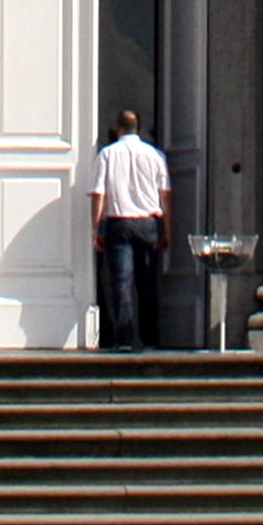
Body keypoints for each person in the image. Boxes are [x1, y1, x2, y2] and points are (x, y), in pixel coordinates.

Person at [87, 108, 171, 353]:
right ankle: (150, 337)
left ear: (118, 129)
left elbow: (98, 194)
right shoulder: (155, 155)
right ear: (139, 129)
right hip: (148, 223)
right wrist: (167, 230)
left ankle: (124, 337)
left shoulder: (107, 154)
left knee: (121, 282)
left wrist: (96, 228)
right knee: (147, 282)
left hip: (119, 223)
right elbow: (165, 195)